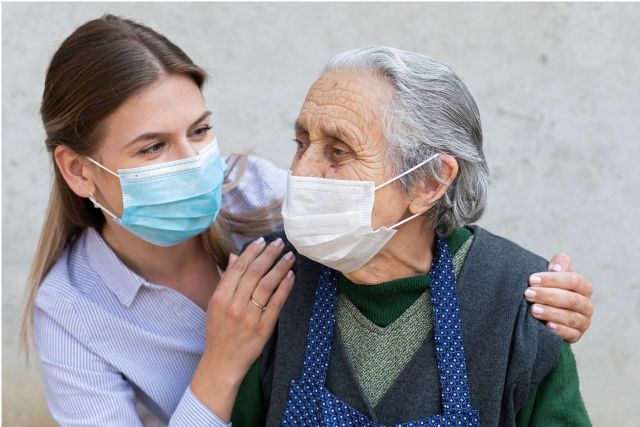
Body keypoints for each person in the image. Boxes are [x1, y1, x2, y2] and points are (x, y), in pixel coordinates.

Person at [23, 16, 593, 426]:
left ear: (428, 181)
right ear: (79, 171)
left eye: (199, 132)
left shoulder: (266, 198)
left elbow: (418, 229)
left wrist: (543, 298)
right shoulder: (70, 311)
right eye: (151, 148)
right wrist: (221, 363)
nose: (306, 176)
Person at [230, 47, 591, 426]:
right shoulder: (270, 279)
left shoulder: (520, 304)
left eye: (338, 152)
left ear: (429, 181)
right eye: (301, 144)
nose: (302, 171)